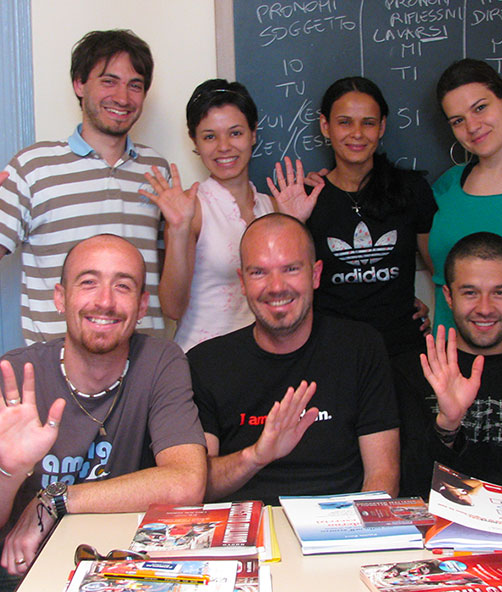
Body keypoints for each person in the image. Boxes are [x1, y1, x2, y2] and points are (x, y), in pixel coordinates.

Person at [0, 234, 206, 585]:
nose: (105, 302)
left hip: (121, 562)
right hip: (27, 567)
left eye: (122, 286)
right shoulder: (16, 376)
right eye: (89, 283)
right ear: (60, 297)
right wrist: (8, 472)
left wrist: (55, 499)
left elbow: (187, 482)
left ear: (142, 306)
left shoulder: (161, 362)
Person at [187, 213, 400, 506]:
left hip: (341, 530)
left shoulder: (360, 347)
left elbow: (383, 476)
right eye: (259, 272)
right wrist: (256, 455)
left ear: (315, 274)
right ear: (243, 282)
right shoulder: (205, 363)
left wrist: (355, 540)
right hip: (246, 532)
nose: (276, 287)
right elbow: (198, 487)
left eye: (290, 269)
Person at [0, 30, 169, 344]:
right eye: (109, 81)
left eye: (135, 85)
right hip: (56, 368)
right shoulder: (32, 167)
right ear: (79, 83)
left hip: (144, 368)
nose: (122, 97)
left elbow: (168, 280)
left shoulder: (156, 169)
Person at [270, 77, 436, 356]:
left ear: (382, 126)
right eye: (345, 122)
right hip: (330, 350)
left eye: (368, 123)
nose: (357, 133)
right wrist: (293, 221)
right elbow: (284, 281)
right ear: (326, 126)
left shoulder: (412, 190)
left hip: (402, 350)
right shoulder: (305, 197)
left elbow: (441, 270)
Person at [142, 79, 296, 352]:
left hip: (263, 357)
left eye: (235, 133)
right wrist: (178, 229)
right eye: (210, 136)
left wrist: (298, 223)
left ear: (253, 133)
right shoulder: (192, 209)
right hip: (203, 359)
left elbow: (294, 289)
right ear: (196, 142)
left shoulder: (272, 206)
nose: (224, 147)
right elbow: (172, 309)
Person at [394, 232, 502, 497]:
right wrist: (447, 424)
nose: (484, 308)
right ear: (448, 296)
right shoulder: (412, 370)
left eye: (499, 293)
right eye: (470, 293)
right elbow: (412, 488)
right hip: (441, 530)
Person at [429, 58, 502, 344]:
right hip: (448, 357)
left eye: (480, 108)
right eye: (458, 121)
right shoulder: (447, 186)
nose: (472, 126)